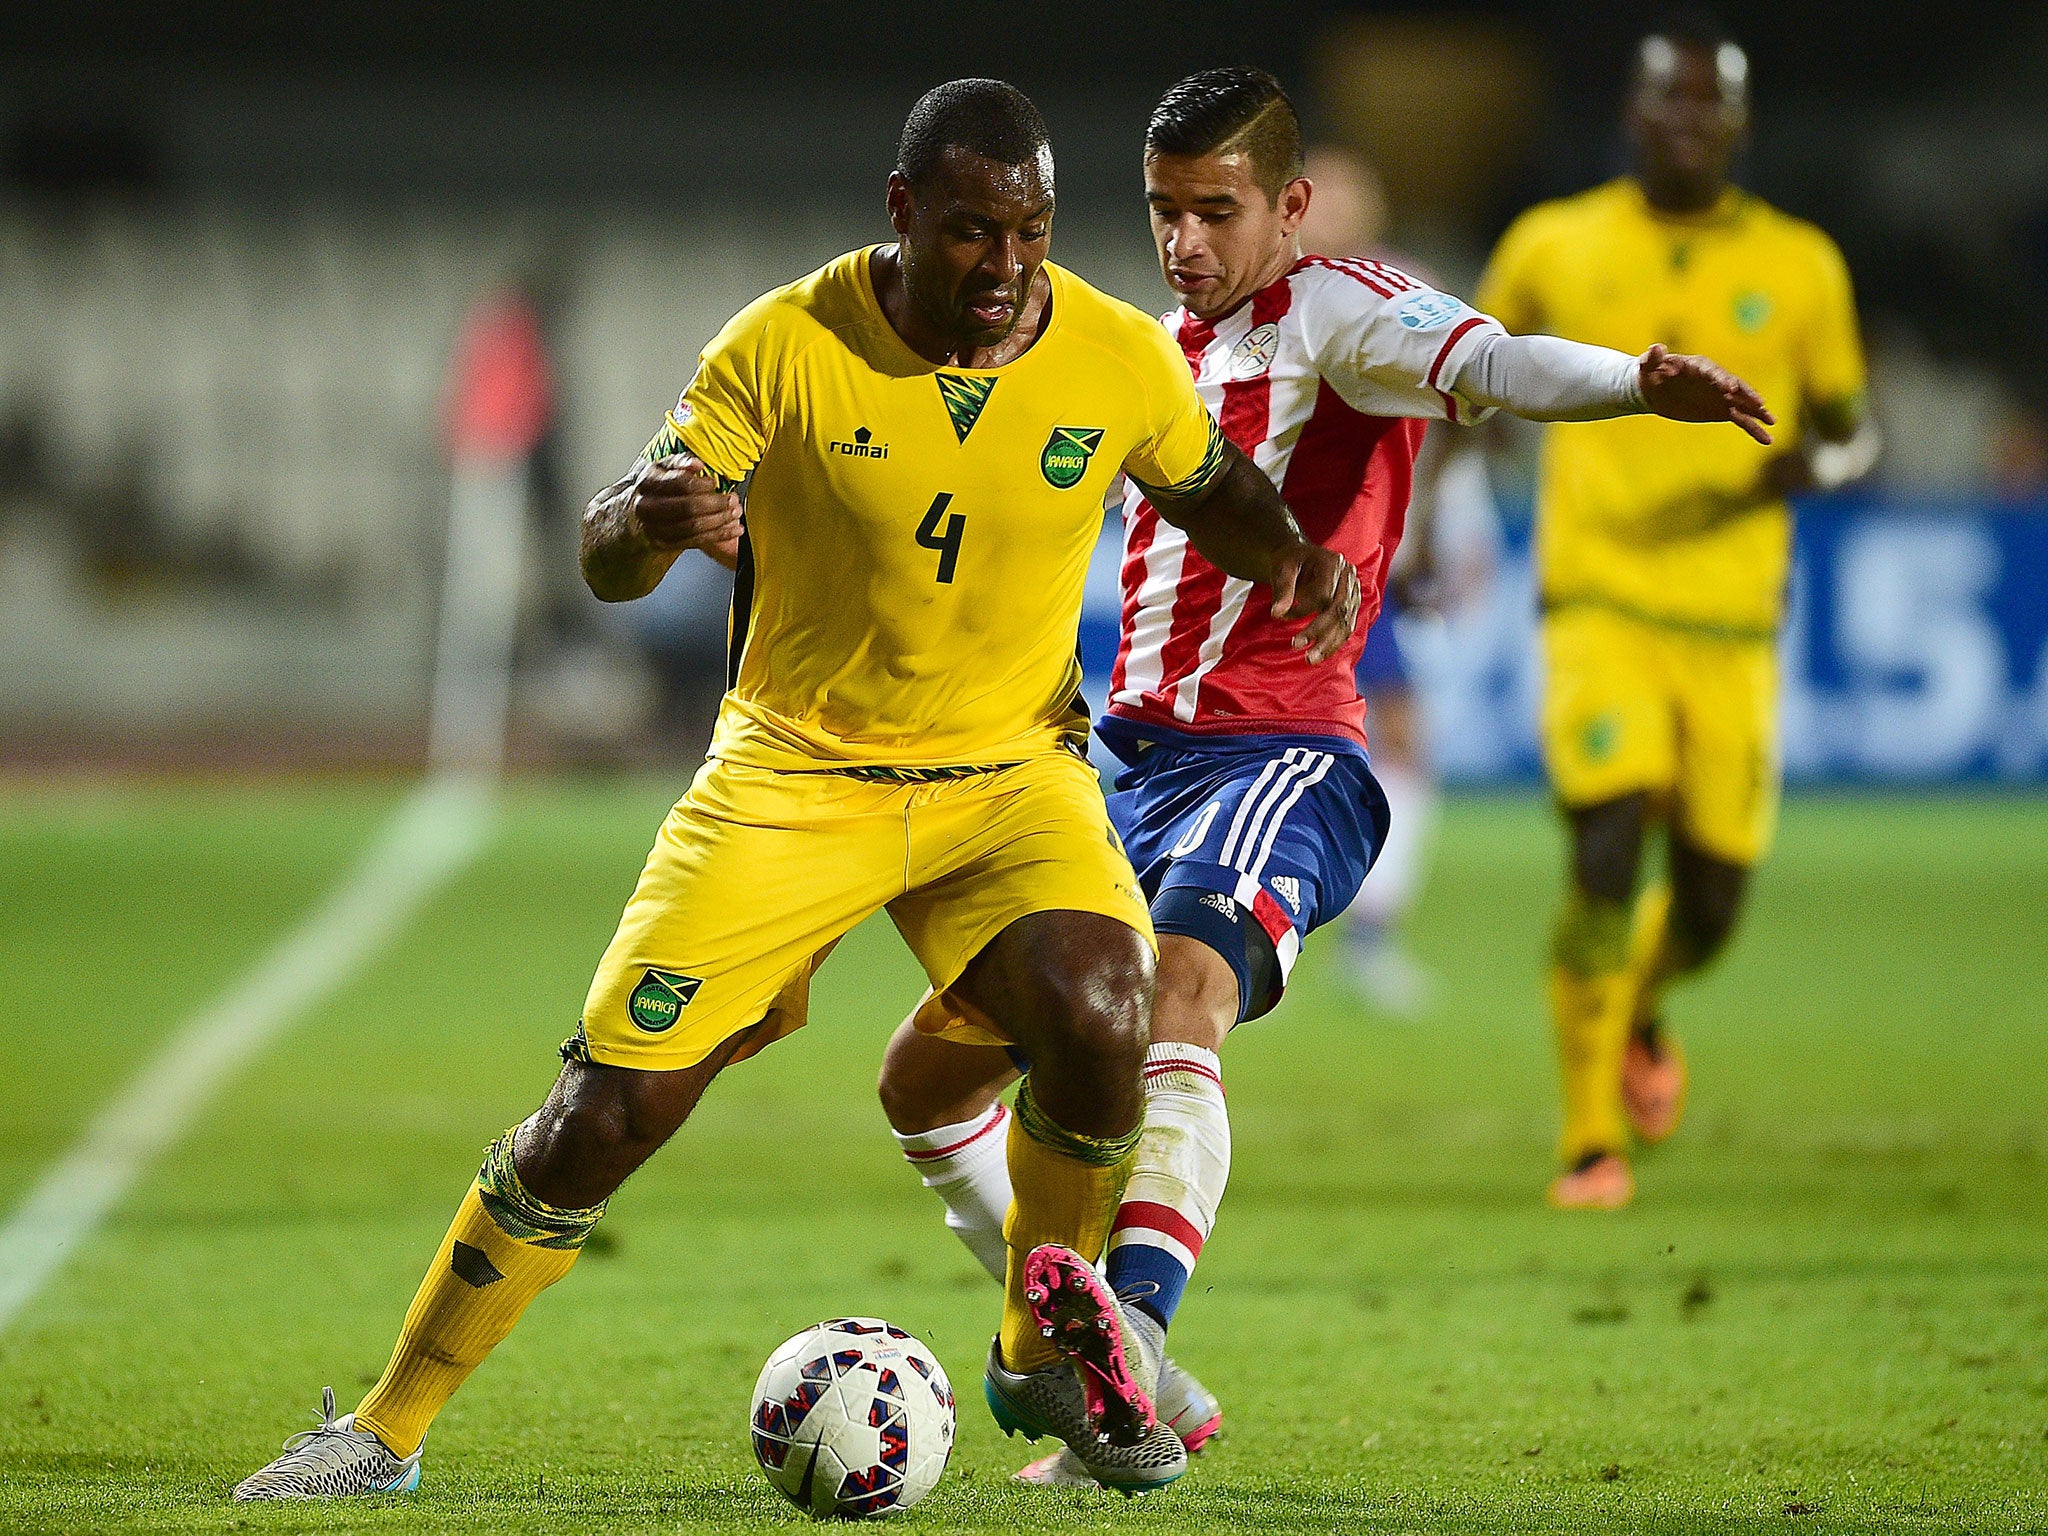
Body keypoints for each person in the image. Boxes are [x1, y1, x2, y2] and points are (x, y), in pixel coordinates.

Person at [231, 78, 1364, 1500]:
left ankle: (1043, 1353)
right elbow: (609, 549)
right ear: (902, 214)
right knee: (610, 1113)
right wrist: (643, 526)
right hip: (794, 775)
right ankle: (382, 1430)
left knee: (1104, 1005)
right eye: (969, 233)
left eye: (1030, 233)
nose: (1005, 270)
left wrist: (1296, 558)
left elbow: (1208, 483)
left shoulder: (1114, 354)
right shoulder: (781, 344)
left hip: (1009, 777)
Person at [872, 65, 1775, 1486]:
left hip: (1282, 754)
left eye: (1214, 212)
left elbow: (1494, 361)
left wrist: (1634, 382)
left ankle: (1135, 1349)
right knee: (924, 1081)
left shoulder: (1343, 312)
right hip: (1124, 760)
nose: (1183, 241)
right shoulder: (1156, 346)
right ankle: (1091, 1351)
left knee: (1181, 992)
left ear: (1287, 207)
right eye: (1164, 211)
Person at [1475, 11, 1877, 1210]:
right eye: (1667, 104)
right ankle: (1587, 1137)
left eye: (1709, 107)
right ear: (1631, 115)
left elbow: (1857, 436)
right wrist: (1413, 526)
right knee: (1603, 849)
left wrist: (1819, 468)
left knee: (1708, 905)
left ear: (1739, 125)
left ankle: (1642, 1000)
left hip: (1733, 625)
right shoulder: (1552, 243)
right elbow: (1462, 372)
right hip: (1594, 598)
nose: (1687, 124)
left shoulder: (1802, 265)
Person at [1294, 145, 1490, 1015]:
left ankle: (1367, 942)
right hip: (1267, 563)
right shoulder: (1257, 289)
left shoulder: (1403, 293)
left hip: (1365, 566)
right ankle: (1238, 928)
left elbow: (1469, 410)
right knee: (1261, 744)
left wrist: (1427, 524)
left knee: (1397, 741)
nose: (1333, 212)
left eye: (1348, 198)